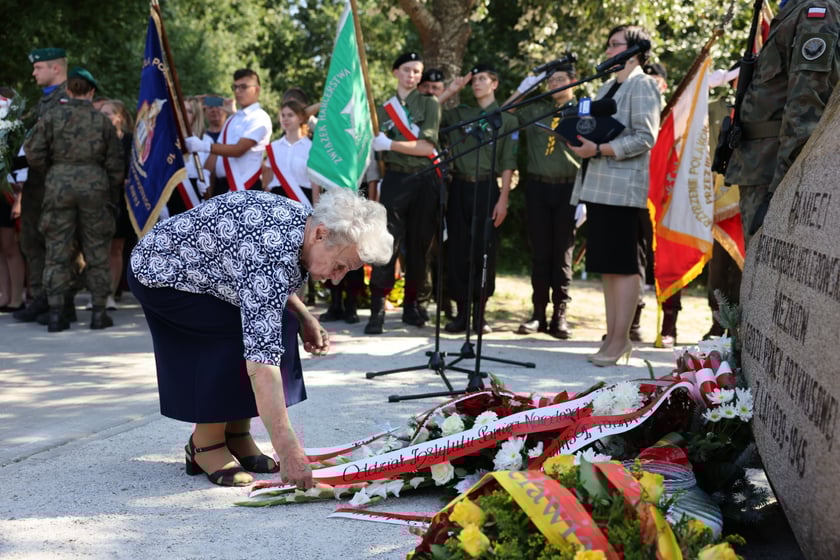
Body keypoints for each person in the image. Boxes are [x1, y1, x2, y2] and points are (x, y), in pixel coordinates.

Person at [127, 187, 393, 488]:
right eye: (341, 265)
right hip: (162, 275)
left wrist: (303, 315)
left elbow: (265, 283)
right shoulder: (272, 250)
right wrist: (289, 450)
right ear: (320, 234)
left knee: (278, 324)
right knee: (232, 336)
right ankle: (205, 445)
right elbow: (261, 364)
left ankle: (237, 435)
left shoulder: (303, 228)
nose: (337, 278)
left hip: (211, 275)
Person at [567, 25, 661, 366]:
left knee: (623, 266)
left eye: (614, 45)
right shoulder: (607, 86)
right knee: (607, 267)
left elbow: (645, 137)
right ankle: (612, 338)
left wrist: (601, 148)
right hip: (597, 186)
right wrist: (579, 140)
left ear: (633, 51)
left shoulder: (644, 85)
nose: (608, 51)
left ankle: (622, 340)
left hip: (623, 189)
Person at [725, 0, 840, 249]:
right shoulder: (791, 10)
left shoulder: (816, 12)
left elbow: (806, 109)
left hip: (776, 174)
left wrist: (782, 188)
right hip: (761, 168)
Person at [24, 67, 124, 332]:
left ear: (68, 90)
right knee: (97, 251)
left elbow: (32, 152)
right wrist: (108, 188)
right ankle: (99, 313)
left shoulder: (52, 116)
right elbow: (115, 164)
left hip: (59, 184)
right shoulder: (102, 121)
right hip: (94, 186)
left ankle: (56, 314)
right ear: (91, 92)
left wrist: (54, 172)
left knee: (56, 251)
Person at [439, 63, 518, 334]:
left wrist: (503, 199)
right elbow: (428, 116)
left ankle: (479, 315)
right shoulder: (461, 113)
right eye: (474, 80)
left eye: (483, 79)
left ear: (494, 84)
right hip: (460, 187)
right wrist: (453, 89)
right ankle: (462, 313)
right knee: (459, 249)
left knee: (484, 250)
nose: (477, 84)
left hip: (487, 189)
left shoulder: (505, 119)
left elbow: (508, 161)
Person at [365, 51, 441, 334]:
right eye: (407, 70)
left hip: (423, 179)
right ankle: (377, 311)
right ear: (395, 72)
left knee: (420, 246)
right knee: (386, 245)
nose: (412, 76)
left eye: (417, 71)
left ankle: (412, 306)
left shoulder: (430, 104)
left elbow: (426, 148)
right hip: (395, 179)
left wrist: (390, 144)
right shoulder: (381, 109)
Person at [504, 63, 581, 339]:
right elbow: (506, 111)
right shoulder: (538, 109)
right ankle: (538, 313)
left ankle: (560, 314)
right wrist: (528, 85)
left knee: (562, 254)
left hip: (569, 188)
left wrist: (585, 198)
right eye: (550, 81)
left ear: (574, 81)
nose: (554, 85)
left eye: (560, 79)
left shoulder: (583, 109)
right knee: (540, 253)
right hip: (538, 187)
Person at [14, 47, 68, 323]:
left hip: (57, 184)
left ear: (55, 68)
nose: (33, 73)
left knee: (56, 245)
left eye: (38, 68)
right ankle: (39, 299)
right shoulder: (42, 102)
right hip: (36, 185)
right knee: (31, 241)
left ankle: (57, 301)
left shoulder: (68, 100)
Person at [186, 69, 271, 197]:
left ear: (256, 89)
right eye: (235, 87)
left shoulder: (259, 117)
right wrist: (206, 174)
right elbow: (216, 152)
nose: (237, 91)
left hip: (245, 186)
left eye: (243, 87)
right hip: (223, 187)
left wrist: (204, 146)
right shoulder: (232, 119)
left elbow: (239, 150)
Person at [98, 99, 136, 311]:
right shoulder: (94, 139)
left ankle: (110, 295)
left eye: (108, 114)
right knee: (97, 248)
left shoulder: (130, 140)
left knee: (116, 247)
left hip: (122, 199)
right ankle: (99, 293)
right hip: (97, 199)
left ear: (119, 117)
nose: (104, 118)